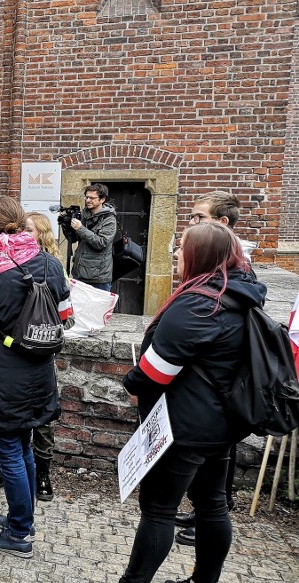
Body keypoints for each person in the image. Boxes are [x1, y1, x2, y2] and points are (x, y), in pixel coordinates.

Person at [118, 221, 265, 583]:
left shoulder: (199, 304)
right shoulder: (241, 295)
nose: (176, 255)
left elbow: (155, 371)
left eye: (181, 248)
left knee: (158, 510)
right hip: (221, 423)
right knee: (212, 504)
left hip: (182, 427)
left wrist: (130, 382)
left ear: (199, 256)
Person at [0, 197, 70, 559]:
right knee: (24, 446)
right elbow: (64, 314)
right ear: (22, 224)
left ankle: (19, 533)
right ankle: (25, 518)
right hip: (39, 368)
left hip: (1, 370)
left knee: (9, 449)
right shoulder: (49, 262)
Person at [173, 190, 251, 547]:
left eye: (198, 218)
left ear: (222, 225)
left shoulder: (233, 271)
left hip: (211, 401)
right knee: (210, 494)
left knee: (174, 502)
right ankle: (202, 510)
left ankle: (206, 514)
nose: (191, 224)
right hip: (215, 400)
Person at [69, 183, 116, 291]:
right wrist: (68, 226)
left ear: (102, 199)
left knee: (98, 308)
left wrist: (80, 228)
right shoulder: (84, 215)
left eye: (92, 198)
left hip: (98, 278)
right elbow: (75, 239)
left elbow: (101, 243)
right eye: (87, 197)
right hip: (80, 273)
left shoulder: (109, 219)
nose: (88, 200)